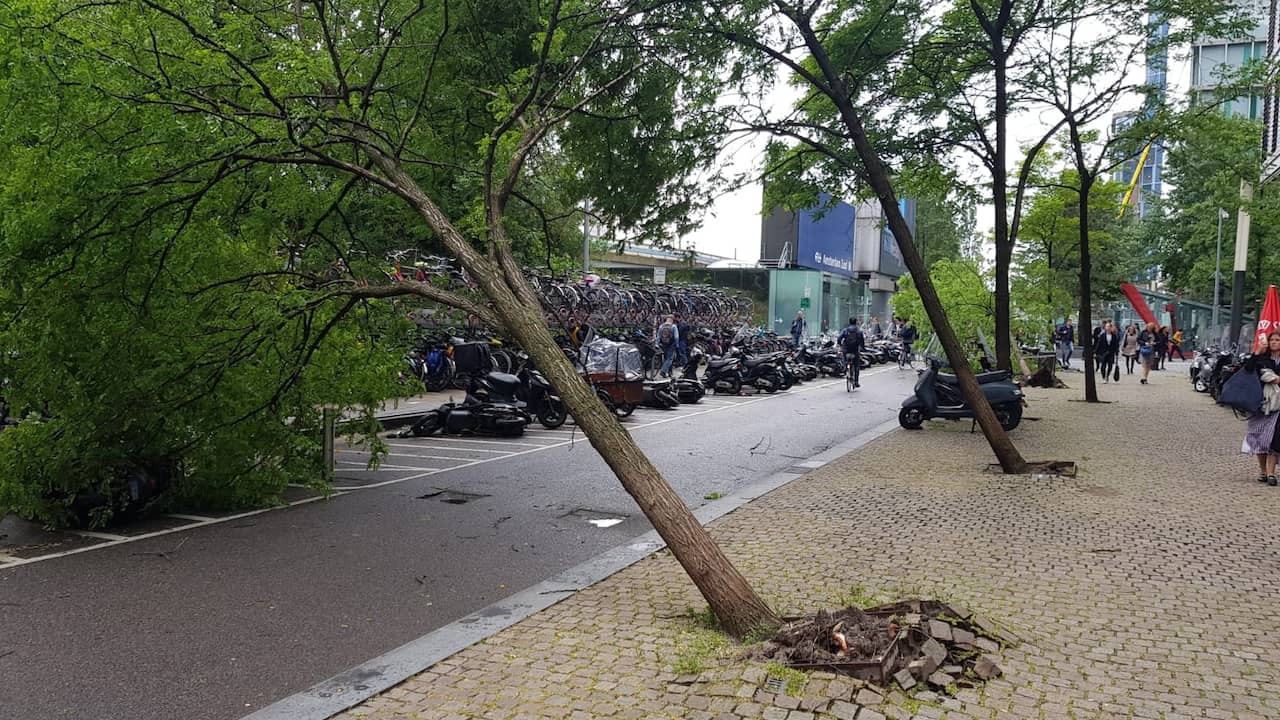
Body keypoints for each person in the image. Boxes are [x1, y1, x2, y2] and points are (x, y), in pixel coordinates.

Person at [1243, 329, 1280, 485]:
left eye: (1277, 340)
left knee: (1274, 439)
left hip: (1278, 405)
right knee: (1259, 437)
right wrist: (1257, 352)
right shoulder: (1262, 358)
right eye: (1272, 339)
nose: (1273, 342)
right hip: (1261, 402)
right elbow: (1248, 369)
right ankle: (1263, 471)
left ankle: (1271, 474)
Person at [837, 318, 865, 388]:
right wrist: (862, 348)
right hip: (855, 350)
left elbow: (839, 338)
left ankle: (845, 367)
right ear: (856, 322)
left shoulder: (845, 330)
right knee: (856, 366)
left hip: (846, 349)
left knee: (844, 357)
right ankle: (856, 381)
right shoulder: (859, 331)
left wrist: (840, 345)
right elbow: (862, 342)